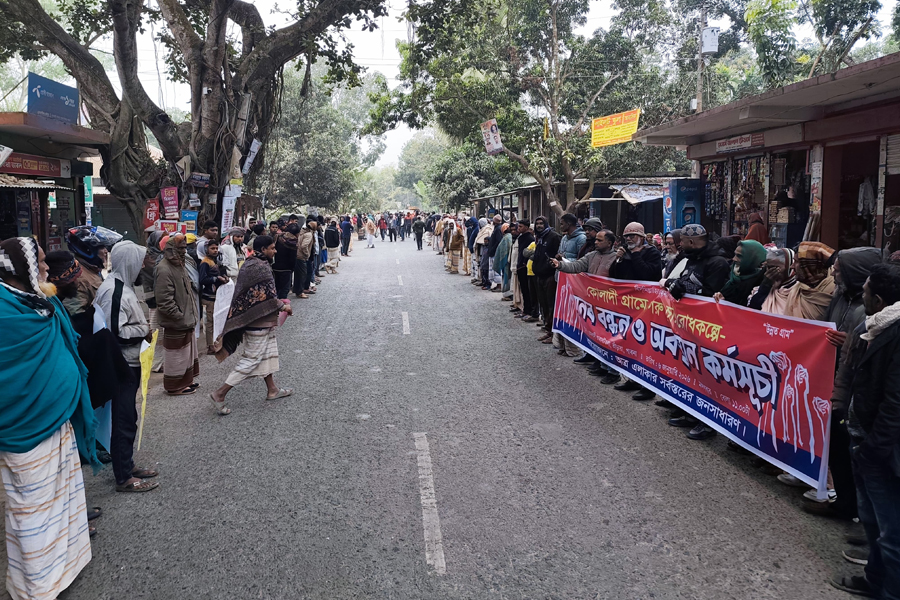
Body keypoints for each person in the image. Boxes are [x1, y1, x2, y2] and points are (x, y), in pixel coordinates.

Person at [0, 237, 100, 600]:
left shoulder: (39, 301)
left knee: (62, 498)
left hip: (56, 421)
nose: (46, 268)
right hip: (24, 429)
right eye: (40, 262)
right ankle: (37, 586)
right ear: (19, 270)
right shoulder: (4, 311)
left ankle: (65, 565)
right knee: (32, 509)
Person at [829, 263, 900, 599]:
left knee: (891, 531)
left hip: (881, 448)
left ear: (880, 299)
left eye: (867, 292)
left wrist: (874, 449)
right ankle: (875, 579)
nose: (862, 296)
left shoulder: (894, 335)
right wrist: (843, 412)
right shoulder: (871, 327)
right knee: (872, 520)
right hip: (862, 438)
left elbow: (894, 403)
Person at [805, 247, 881, 521]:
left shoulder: (871, 307)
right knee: (837, 446)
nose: (834, 272)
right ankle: (846, 504)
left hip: (856, 388)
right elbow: (824, 325)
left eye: (840, 269)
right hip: (835, 380)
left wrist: (851, 340)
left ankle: (863, 514)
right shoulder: (840, 296)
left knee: (854, 453)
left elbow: (873, 344)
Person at [94, 241, 160, 493]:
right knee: (123, 420)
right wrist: (144, 331)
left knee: (127, 418)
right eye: (140, 260)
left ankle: (127, 465)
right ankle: (123, 477)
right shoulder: (114, 291)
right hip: (121, 363)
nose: (144, 265)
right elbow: (116, 332)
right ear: (129, 262)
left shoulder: (124, 287)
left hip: (130, 361)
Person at [211, 235, 294, 415]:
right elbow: (268, 297)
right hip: (257, 322)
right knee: (252, 359)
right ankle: (219, 393)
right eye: (272, 247)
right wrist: (284, 306)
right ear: (263, 249)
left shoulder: (250, 263)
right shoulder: (260, 267)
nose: (275, 250)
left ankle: (272, 389)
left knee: (268, 353)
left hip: (260, 319)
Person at [663, 224, 730, 438]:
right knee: (689, 370)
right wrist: (675, 285)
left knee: (707, 375)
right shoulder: (690, 258)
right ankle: (690, 411)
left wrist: (689, 291)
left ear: (691, 242)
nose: (679, 245)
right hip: (687, 326)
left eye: (682, 241)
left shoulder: (717, 262)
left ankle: (707, 422)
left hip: (707, 328)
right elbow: (682, 281)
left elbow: (711, 295)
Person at [606, 223, 663, 398]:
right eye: (626, 236)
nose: (629, 239)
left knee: (645, 346)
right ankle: (632, 378)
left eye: (632, 236)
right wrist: (619, 259)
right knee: (630, 344)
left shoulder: (651, 252)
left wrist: (637, 257)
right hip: (628, 306)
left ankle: (648, 387)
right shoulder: (625, 252)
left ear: (641, 237)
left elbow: (648, 275)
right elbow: (614, 274)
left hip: (646, 307)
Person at [154, 233, 200, 396]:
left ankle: (186, 382)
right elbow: (164, 301)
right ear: (171, 249)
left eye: (185, 248)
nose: (184, 251)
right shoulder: (164, 268)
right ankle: (175, 386)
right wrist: (179, 316)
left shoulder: (180, 265)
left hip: (185, 319)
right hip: (176, 321)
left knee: (186, 354)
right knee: (177, 356)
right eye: (180, 248)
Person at [532, 216, 562, 342]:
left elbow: (558, 255)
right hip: (539, 275)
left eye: (541, 223)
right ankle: (548, 329)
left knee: (551, 305)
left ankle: (553, 334)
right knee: (543, 304)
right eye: (537, 224)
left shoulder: (553, 237)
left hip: (550, 276)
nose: (539, 226)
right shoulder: (539, 237)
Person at [713, 240, 767, 307]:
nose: (734, 259)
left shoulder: (762, 280)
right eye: (735, 254)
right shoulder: (733, 274)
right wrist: (720, 297)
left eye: (739, 256)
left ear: (752, 257)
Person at [198, 240, 229, 350]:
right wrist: (216, 278)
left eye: (216, 248)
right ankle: (210, 345)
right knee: (210, 322)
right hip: (209, 297)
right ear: (206, 250)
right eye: (212, 248)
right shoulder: (205, 263)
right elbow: (202, 279)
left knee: (217, 320)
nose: (215, 250)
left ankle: (217, 342)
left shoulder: (215, 261)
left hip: (217, 296)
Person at [515, 220, 538, 322]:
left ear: (527, 227)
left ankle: (529, 311)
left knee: (528, 291)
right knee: (523, 290)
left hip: (526, 267)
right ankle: (525, 309)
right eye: (518, 226)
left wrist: (523, 263)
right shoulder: (521, 237)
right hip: (520, 266)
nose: (518, 228)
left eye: (521, 226)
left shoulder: (529, 238)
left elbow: (528, 254)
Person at [293, 218, 316, 299]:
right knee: (302, 275)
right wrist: (307, 254)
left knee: (298, 275)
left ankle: (296, 290)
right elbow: (304, 245)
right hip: (302, 256)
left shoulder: (302, 232)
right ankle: (300, 292)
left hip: (297, 255)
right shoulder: (309, 234)